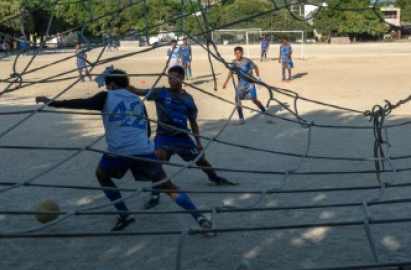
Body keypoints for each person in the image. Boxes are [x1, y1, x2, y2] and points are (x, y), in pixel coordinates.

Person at [35, 68, 213, 232]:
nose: (107, 88)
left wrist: (52, 102)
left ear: (112, 84)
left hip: (120, 150)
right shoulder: (137, 100)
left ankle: (124, 215)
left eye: (107, 85)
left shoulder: (107, 96)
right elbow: (147, 129)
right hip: (144, 149)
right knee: (168, 186)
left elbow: (81, 103)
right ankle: (200, 218)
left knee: (101, 175)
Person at [130, 65, 236, 210]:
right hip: (164, 136)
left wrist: (198, 143)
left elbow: (193, 122)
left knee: (201, 160)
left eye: (175, 78)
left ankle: (215, 178)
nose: (171, 81)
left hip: (182, 137)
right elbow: (136, 90)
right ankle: (155, 194)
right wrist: (119, 82)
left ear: (182, 78)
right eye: (169, 78)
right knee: (158, 159)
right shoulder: (160, 92)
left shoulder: (188, 99)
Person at [222, 46, 270, 124]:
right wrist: (226, 82)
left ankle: (265, 112)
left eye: (239, 53)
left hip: (250, 84)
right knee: (237, 100)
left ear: (242, 53)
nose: (237, 55)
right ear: (234, 54)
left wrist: (258, 77)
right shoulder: (233, 63)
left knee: (254, 100)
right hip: (241, 85)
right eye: (236, 53)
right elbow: (230, 72)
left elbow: (256, 67)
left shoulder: (247, 61)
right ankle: (241, 119)